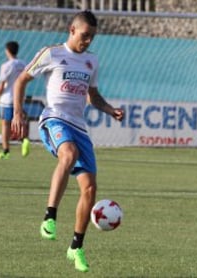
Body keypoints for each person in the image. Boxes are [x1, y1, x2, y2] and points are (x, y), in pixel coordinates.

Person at [11, 10, 124, 272]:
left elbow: (92, 96)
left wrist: (109, 110)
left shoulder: (91, 62)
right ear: (72, 30)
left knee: (89, 189)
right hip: (53, 119)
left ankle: (76, 247)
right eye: (85, 36)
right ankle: (49, 217)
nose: (88, 41)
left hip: (79, 126)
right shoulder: (52, 53)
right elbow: (21, 81)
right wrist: (18, 111)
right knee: (69, 154)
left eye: (92, 38)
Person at [0, 41, 30, 159]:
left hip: (7, 99)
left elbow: (1, 84)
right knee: (19, 121)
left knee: (6, 125)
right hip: (19, 98)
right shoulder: (23, 64)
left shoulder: (6, 66)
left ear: (7, 51)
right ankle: (24, 140)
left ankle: (5, 151)